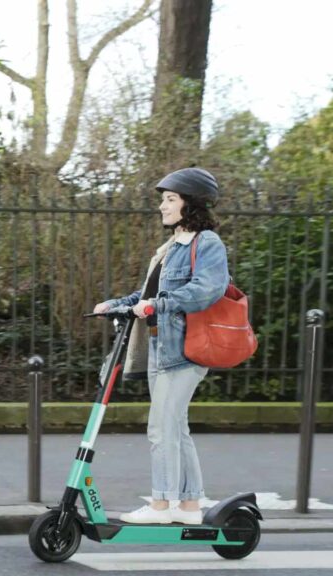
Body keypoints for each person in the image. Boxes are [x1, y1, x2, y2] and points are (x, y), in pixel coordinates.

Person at [93, 167, 229, 525]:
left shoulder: (207, 243)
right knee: (175, 428)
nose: (162, 207)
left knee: (161, 428)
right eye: (163, 200)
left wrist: (158, 305)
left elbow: (206, 290)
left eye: (170, 200)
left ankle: (161, 505)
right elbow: (148, 295)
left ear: (191, 204)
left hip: (184, 351)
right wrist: (116, 303)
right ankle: (188, 507)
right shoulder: (171, 247)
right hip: (160, 347)